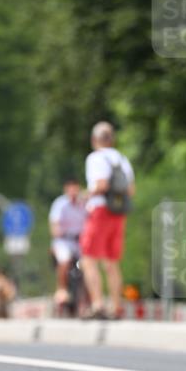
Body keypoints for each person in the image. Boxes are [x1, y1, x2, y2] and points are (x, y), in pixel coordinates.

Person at [79, 122, 135, 318]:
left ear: (94, 140)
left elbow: (101, 184)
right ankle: (117, 306)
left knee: (89, 259)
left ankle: (98, 304)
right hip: (119, 212)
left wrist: (86, 194)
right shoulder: (121, 159)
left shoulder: (95, 158)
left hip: (100, 210)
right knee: (112, 261)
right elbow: (130, 190)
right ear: (113, 139)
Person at [49, 177, 86, 312]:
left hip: (80, 241)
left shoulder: (84, 204)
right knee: (64, 261)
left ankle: (86, 297)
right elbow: (54, 225)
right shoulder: (60, 204)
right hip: (64, 240)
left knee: (88, 266)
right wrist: (58, 231)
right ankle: (62, 290)